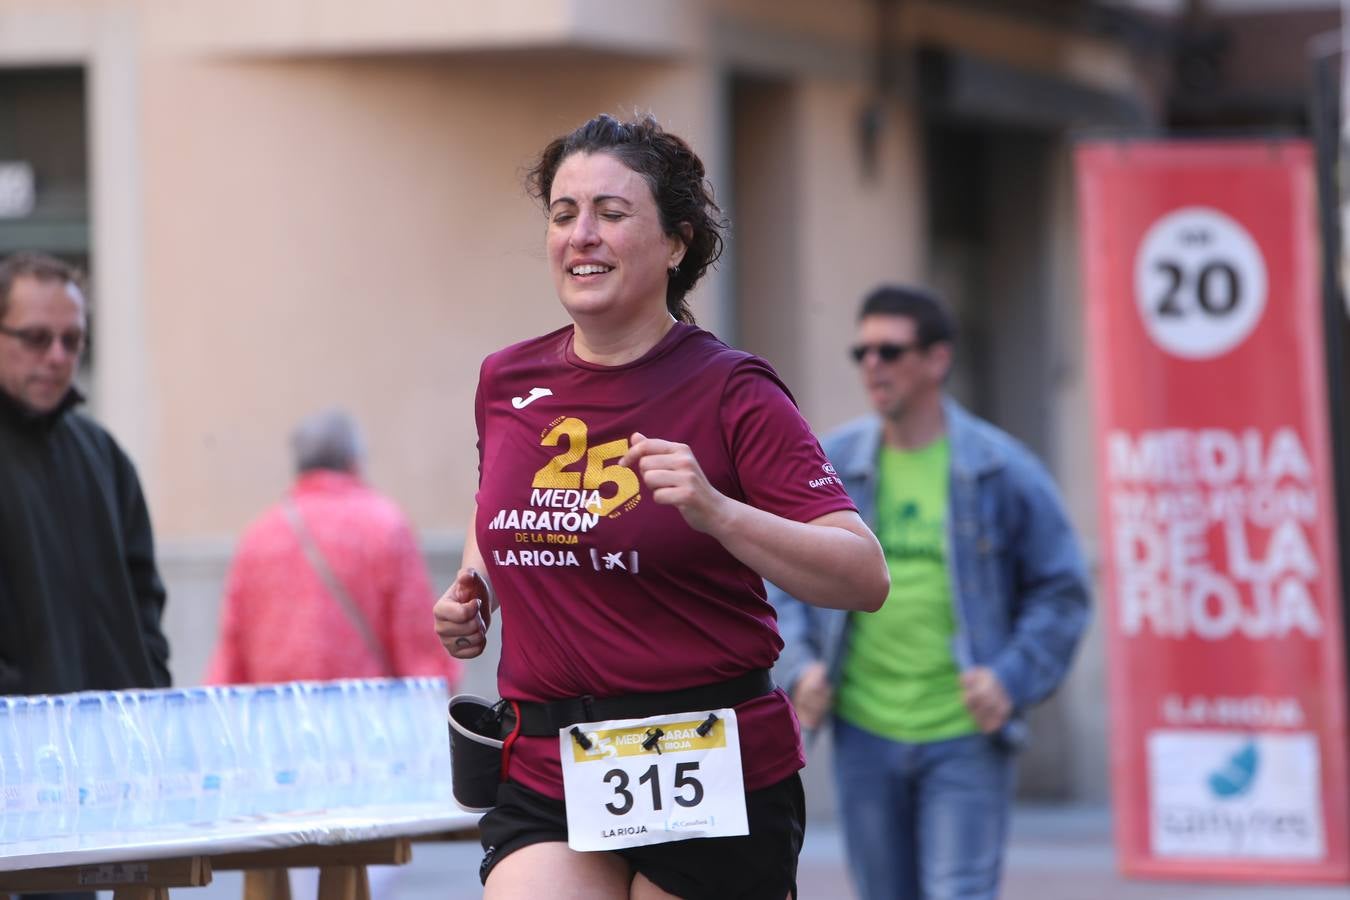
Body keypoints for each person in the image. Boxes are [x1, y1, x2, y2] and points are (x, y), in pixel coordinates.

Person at [432, 113, 889, 900]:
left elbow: (863, 576)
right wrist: (475, 586)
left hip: (706, 763)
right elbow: (497, 501)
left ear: (677, 244)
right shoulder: (506, 381)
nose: (582, 235)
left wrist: (718, 511)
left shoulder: (732, 390)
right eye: (564, 214)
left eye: (611, 213)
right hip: (550, 761)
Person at [767, 285, 1090, 900]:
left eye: (890, 351)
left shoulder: (1001, 468)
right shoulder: (832, 462)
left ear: (938, 359)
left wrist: (1011, 678)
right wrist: (800, 667)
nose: (872, 365)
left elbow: (1062, 589)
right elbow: (778, 573)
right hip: (863, 730)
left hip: (964, 732)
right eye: (861, 352)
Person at [206, 408, 460, 900]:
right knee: (357, 878)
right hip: (367, 745)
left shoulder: (259, 534)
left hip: (276, 747)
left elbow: (231, 653)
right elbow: (417, 643)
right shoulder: (385, 525)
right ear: (355, 461)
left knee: (282, 877)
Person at [0, 251, 171, 900]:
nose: (56, 356)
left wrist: (149, 707)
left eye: (71, 340)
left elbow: (145, 603)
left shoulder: (101, 455)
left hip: (102, 786)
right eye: (35, 337)